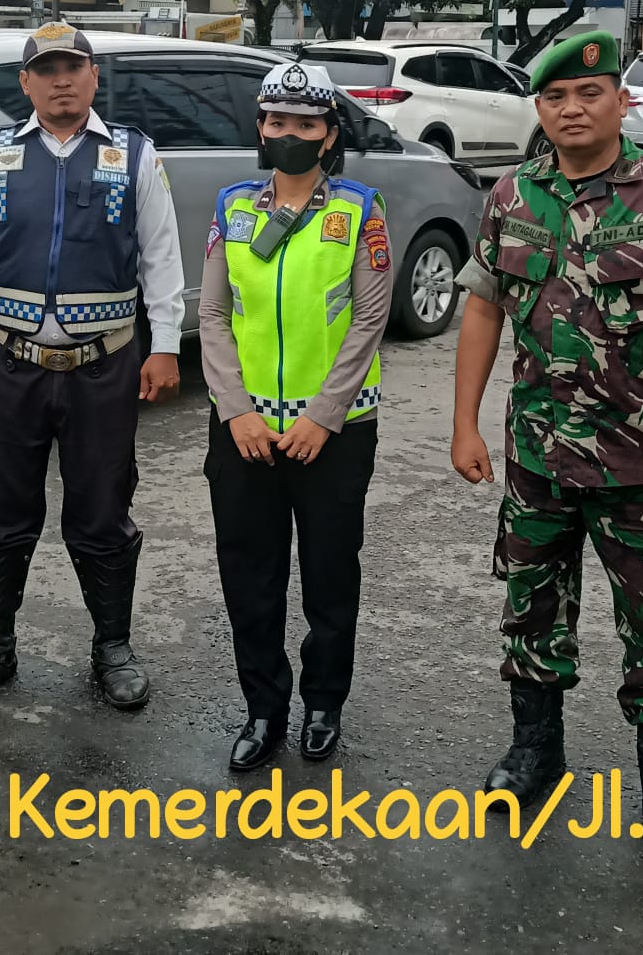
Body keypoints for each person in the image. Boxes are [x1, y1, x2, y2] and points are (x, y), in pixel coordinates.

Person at [449, 31, 643, 851]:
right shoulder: (511, 195)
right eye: (555, 99)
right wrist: (464, 421)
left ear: (620, 100)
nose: (572, 109)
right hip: (537, 458)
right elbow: (483, 307)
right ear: (539, 109)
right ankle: (536, 755)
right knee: (531, 612)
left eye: (589, 94)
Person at [0, 22, 185, 716]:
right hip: (5, 365)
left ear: (94, 75)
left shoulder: (133, 155)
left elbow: (161, 256)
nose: (61, 80)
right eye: (46, 70)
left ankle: (112, 648)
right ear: (26, 84)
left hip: (104, 366)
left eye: (73, 66)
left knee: (102, 511)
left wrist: (165, 344)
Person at [198, 61, 394, 772]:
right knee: (249, 575)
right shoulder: (234, 208)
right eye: (276, 122)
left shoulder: (359, 211)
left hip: (332, 436)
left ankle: (322, 702)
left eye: (304, 124)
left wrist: (323, 415)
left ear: (328, 134)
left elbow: (370, 319)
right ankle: (263, 708)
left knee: (329, 573)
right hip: (245, 434)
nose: (289, 134)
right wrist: (235, 411)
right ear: (260, 128)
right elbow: (213, 315)